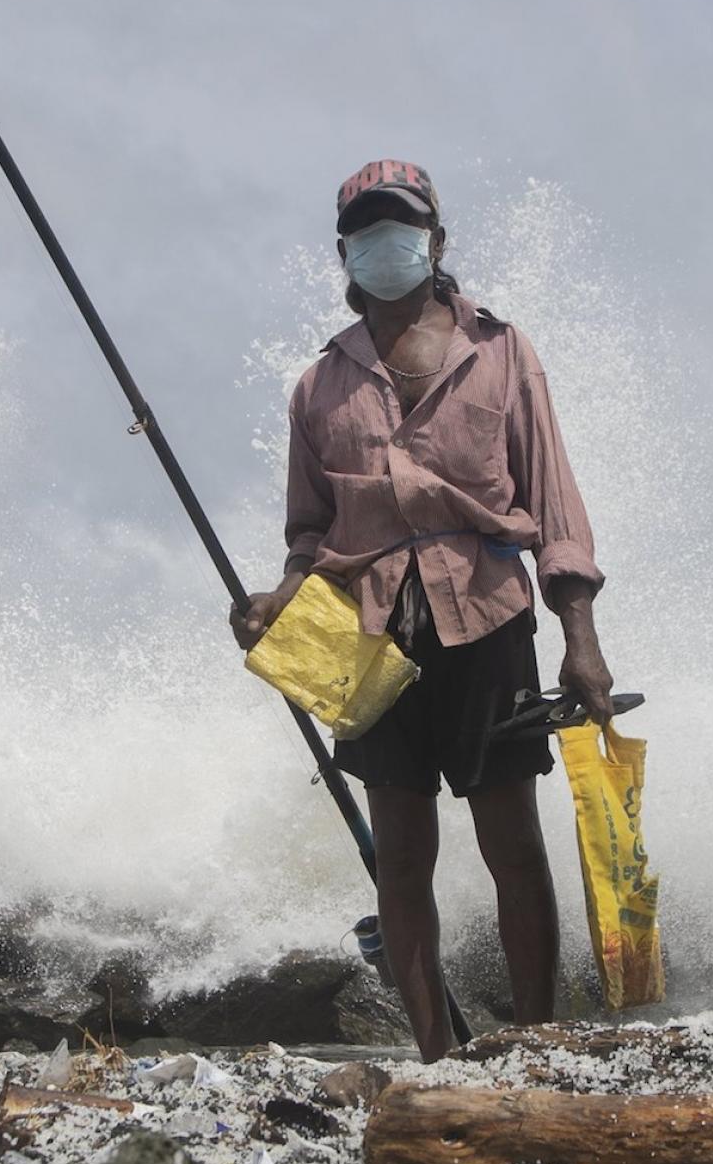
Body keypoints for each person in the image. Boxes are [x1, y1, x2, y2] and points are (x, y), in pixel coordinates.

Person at [231, 159, 618, 1060]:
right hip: (368, 635)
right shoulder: (318, 386)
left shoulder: (502, 351)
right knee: (400, 852)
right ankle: (436, 1059)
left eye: (397, 226)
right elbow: (309, 535)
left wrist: (582, 641)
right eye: (364, 231)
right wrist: (276, 603)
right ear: (344, 252)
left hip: (487, 617)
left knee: (511, 840)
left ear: (435, 241)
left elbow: (555, 503)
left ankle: (535, 1043)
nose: (383, 243)